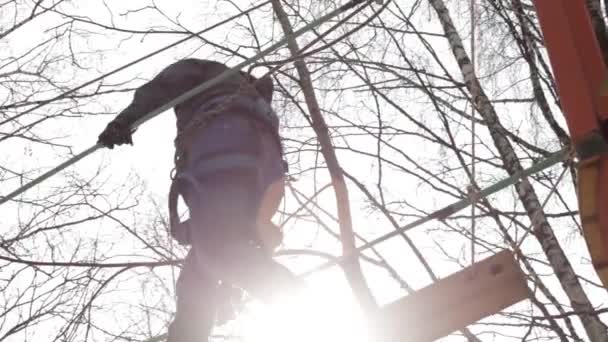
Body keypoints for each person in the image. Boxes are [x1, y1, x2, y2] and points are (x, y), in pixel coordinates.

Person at [97, 58, 301, 341]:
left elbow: (162, 88)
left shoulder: (202, 72)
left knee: (217, 253)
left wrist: (124, 121)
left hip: (226, 152)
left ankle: (302, 306)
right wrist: (231, 284)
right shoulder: (250, 98)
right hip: (260, 170)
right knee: (199, 275)